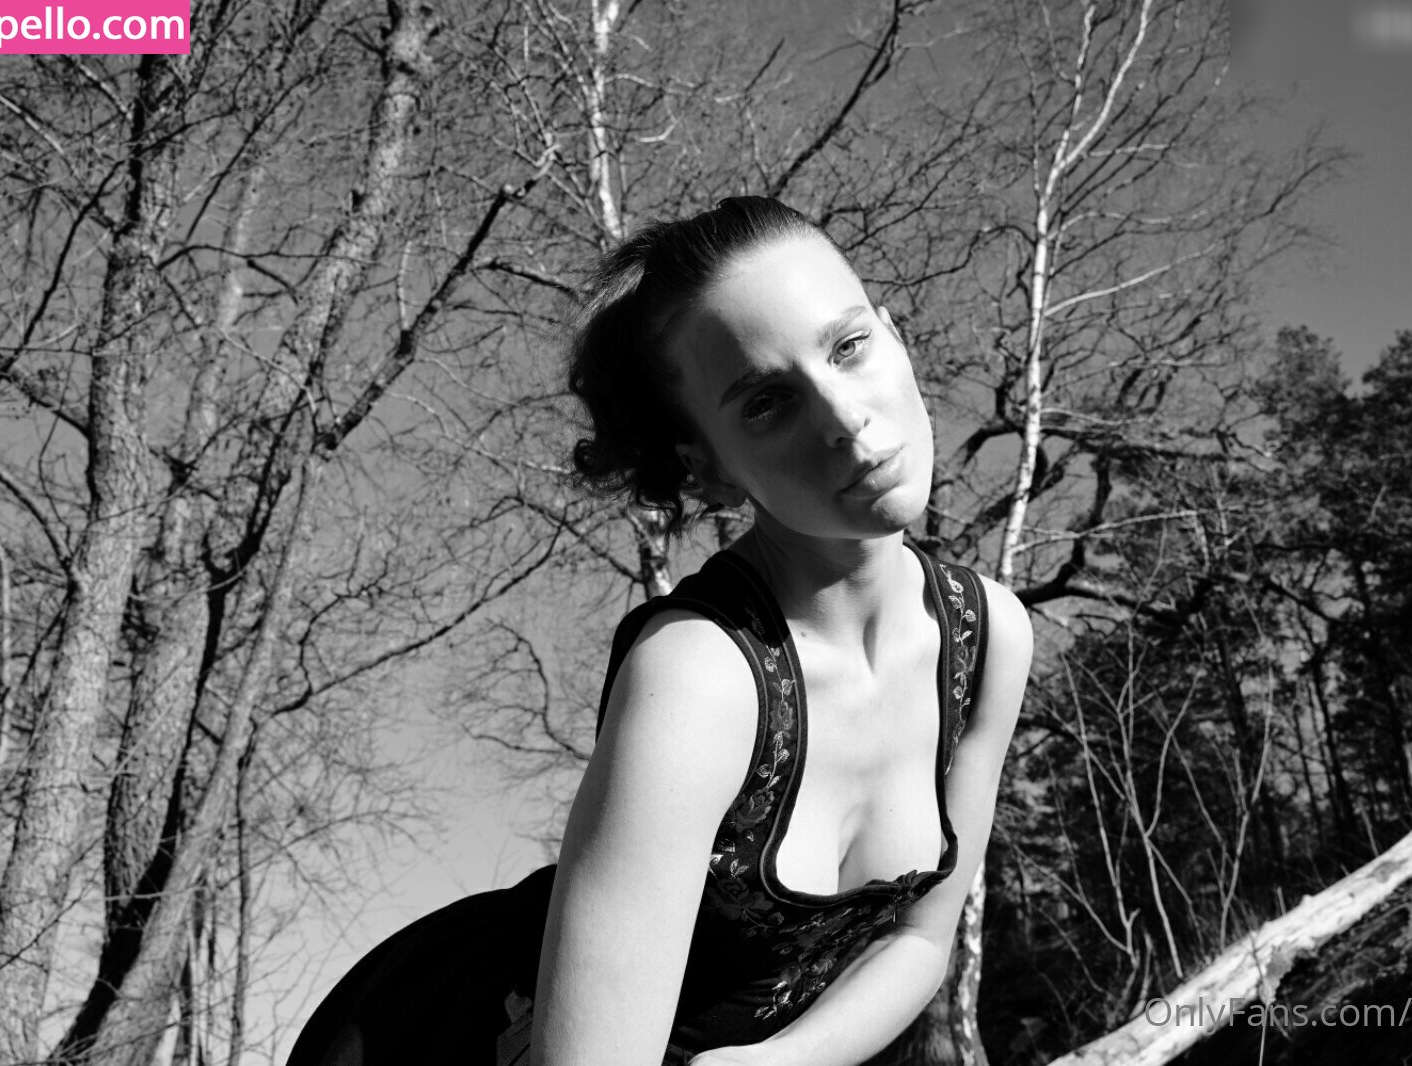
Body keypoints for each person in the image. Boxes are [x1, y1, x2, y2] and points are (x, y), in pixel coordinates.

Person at [286, 196, 1032, 1066]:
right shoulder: (698, 677)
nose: (845, 419)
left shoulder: (990, 638)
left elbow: (919, 939)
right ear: (708, 469)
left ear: (895, 336)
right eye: (767, 403)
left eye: (849, 346)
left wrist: (776, 1064)